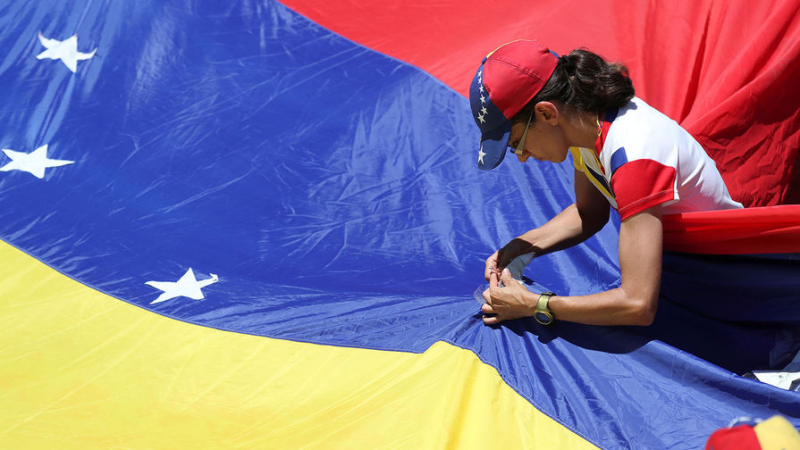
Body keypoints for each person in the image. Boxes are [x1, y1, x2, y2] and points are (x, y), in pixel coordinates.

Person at [471, 39, 742, 327]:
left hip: (725, 282)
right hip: (682, 264)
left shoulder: (634, 155)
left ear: (547, 113)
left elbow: (637, 305)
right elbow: (589, 212)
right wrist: (522, 247)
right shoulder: (584, 124)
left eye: (516, 143)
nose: (523, 157)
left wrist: (534, 305)